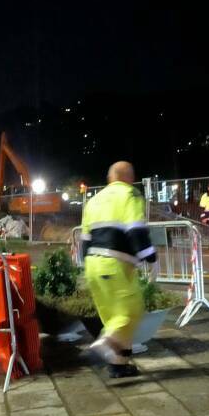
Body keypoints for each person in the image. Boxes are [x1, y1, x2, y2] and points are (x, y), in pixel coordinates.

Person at [80, 161, 157, 378]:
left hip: (93, 264)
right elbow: (135, 230)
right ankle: (105, 343)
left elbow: (85, 240)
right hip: (116, 263)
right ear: (130, 178)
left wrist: (85, 267)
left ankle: (119, 364)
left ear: (109, 178)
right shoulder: (130, 195)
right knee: (131, 312)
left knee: (113, 317)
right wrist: (150, 258)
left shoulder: (93, 200)